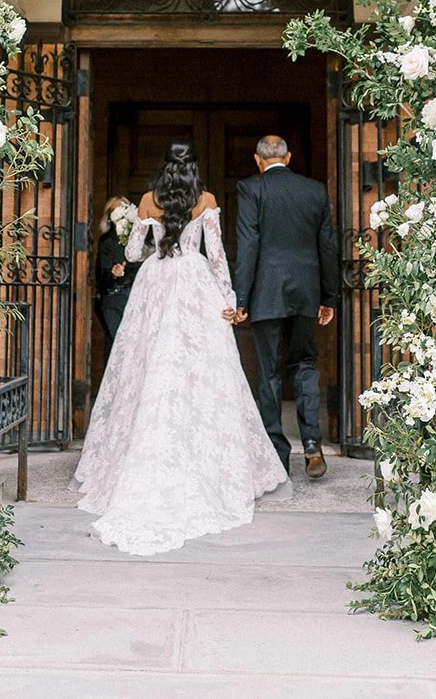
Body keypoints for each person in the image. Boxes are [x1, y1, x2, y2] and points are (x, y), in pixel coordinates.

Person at [71, 141, 288, 555]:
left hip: (156, 280)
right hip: (193, 280)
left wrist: (143, 234)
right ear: (192, 169)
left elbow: (134, 253)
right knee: (200, 369)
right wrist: (228, 298)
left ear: (165, 168)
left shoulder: (149, 201)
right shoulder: (205, 199)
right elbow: (217, 256)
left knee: (147, 363)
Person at [232, 135, 340, 481]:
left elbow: (248, 244)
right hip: (306, 292)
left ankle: (276, 456)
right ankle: (311, 444)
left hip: (266, 292)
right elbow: (327, 245)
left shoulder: (251, 189)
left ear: (257, 159)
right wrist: (328, 297)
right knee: (305, 364)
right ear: (288, 156)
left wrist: (241, 298)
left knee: (269, 373)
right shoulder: (314, 191)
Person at [93, 194, 139, 348]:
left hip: (135, 299)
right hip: (112, 300)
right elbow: (101, 276)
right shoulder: (106, 241)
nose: (121, 213)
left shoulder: (138, 239)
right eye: (115, 210)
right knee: (119, 345)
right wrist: (113, 272)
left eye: (123, 208)